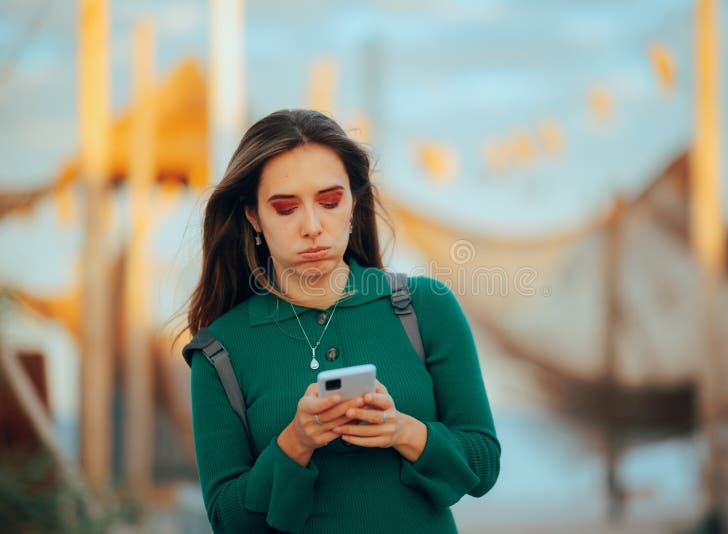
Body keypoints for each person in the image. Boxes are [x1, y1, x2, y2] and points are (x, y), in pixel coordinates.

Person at [184, 109, 500, 533]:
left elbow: (483, 465)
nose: (312, 227)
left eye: (330, 202)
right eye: (285, 208)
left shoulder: (427, 307)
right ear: (253, 217)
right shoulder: (219, 351)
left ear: (354, 202)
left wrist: (401, 430)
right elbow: (227, 518)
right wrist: (296, 441)